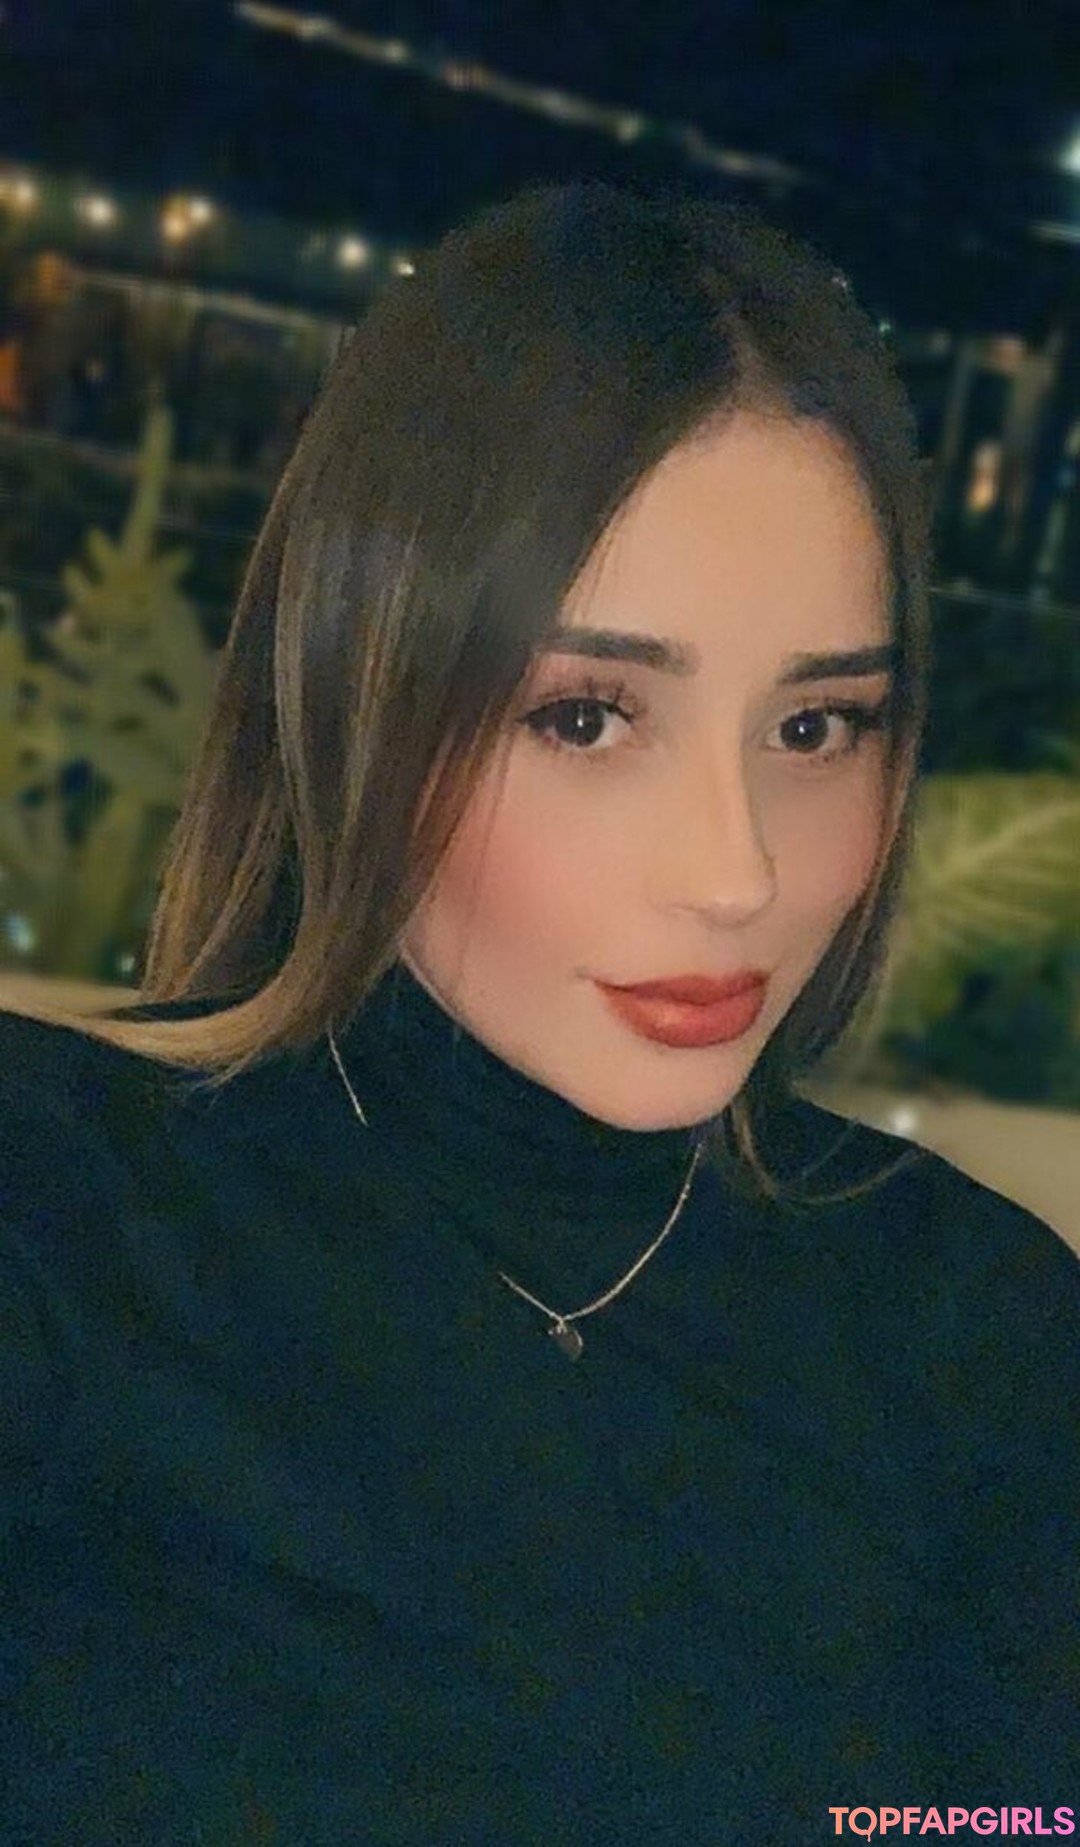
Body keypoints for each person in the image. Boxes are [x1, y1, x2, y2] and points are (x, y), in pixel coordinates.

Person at [0, 181, 1076, 1846]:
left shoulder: (981, 1329)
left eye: (816, 729)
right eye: (585, 718)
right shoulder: (58, 1212)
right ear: (356, 693)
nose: (736, 875)